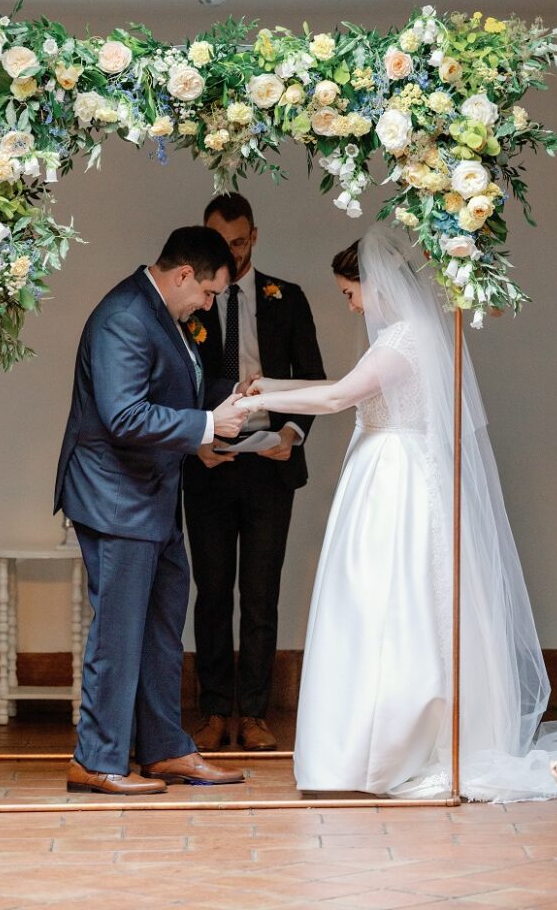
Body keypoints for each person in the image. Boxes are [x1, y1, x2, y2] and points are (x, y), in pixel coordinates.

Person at [237, 223, 557, 801]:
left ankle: (391, 746)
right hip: (388, 466)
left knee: (389, 599)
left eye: (350, 292)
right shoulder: (406, 335)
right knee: (380, 599)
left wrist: (262, 400)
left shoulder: (404, 339)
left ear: (376, 283)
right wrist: (270, 380)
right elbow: (346, 385)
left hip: (398, 477)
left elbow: (341, 397)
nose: (351, 304)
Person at [54, 226, 248, 794]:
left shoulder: (158, 311)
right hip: (115, 498)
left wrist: (219, 410)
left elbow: (168, 388)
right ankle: (95, 760)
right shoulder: (125, 316)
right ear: (184, 274)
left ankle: (164, 750)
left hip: (153, 496)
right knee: (118, 633)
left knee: (162, 629)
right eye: (209, 294)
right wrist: (207, 425)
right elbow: (123, 416)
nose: (208, 306)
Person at [183, 193, 325, 752]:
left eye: (240, 243)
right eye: (223, 244)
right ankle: (216, 710)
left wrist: (292, 436)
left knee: (261, 592)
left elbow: (312, 379)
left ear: (255, 237)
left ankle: (257, 713)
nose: (233, 254)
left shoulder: (286, 297)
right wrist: (195, 443)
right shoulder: (193, 300)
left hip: (271, 463)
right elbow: (176, 381)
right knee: (212, 589)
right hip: (208, 461)